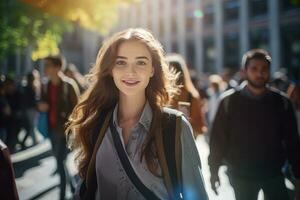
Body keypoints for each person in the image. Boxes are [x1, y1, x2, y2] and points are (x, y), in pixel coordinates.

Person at [66, 28, 208, 200]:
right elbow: (84, 188)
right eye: (121, 62)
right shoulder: (95, 124)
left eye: (141, 62)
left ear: (152, 70)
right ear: (110, 69)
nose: (131, 72)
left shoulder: (174, 125)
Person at [208, 49, 300, 200]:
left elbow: (293, 142)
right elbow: (217, 140)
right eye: (254, 69)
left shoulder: (282, 103)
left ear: (269, 71)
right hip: (241, 175)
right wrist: (213, 171)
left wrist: (297, 174)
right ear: (245, 71)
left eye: (264, 69)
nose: (259, 73)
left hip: (273, 173)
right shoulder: (228, 102)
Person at [37, 55, 80, 200]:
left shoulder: (69, 85)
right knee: (59, 161)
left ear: (57, 67)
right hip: (51, 129)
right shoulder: (46, 85)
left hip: (64, 132)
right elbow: (41, 103)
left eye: (48, 65)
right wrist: (41, 106)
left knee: (60, 162)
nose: (45, 68)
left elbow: (77, 111)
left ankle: (62, 194)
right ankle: (73, 186)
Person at [166, 54, 207, 137]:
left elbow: (200, 127)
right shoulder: (160, 95)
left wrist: (184, 122)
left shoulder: (191, 96)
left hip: (184, 143)